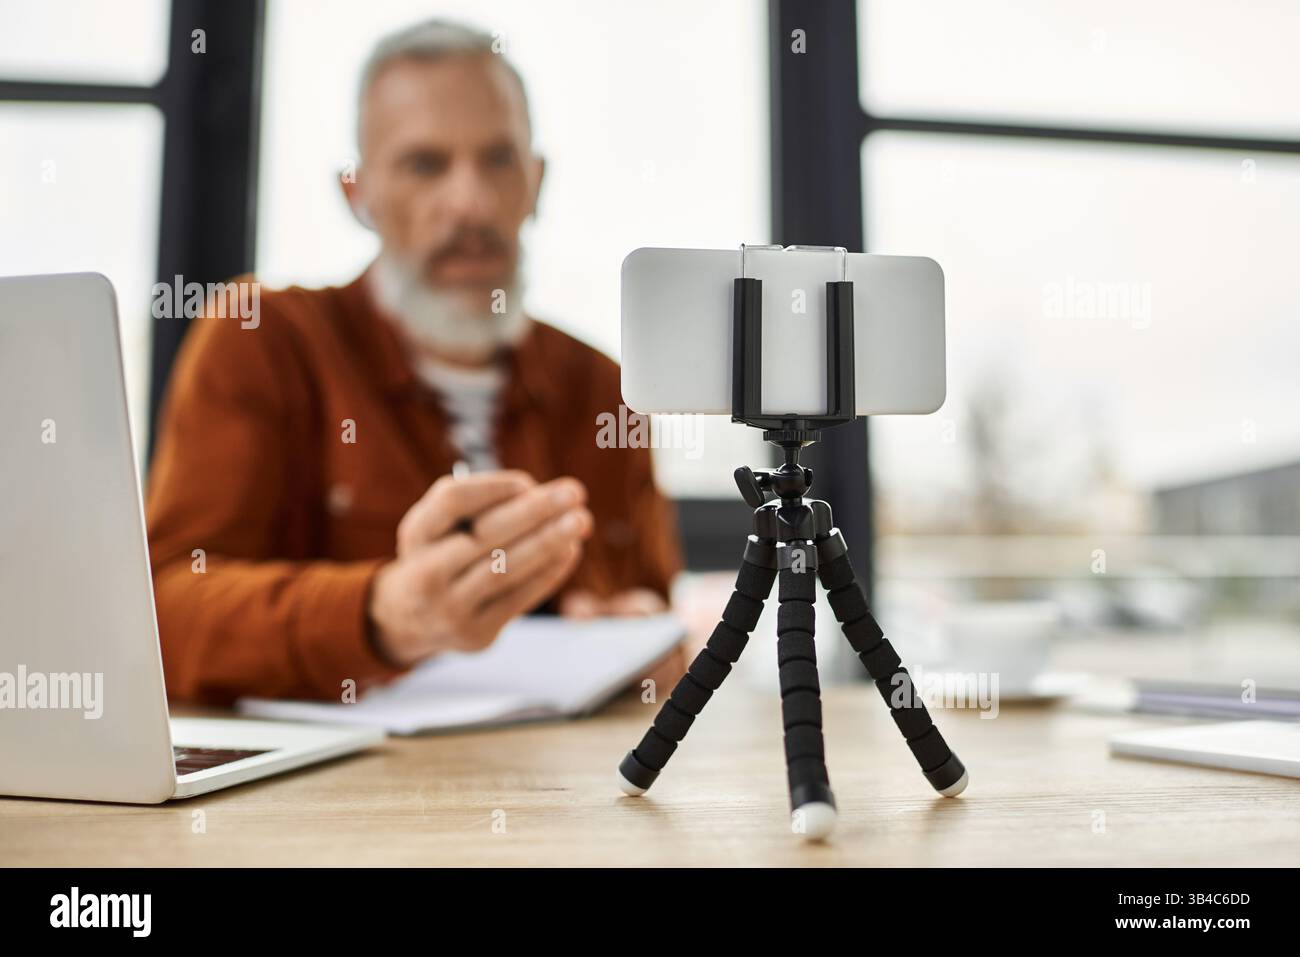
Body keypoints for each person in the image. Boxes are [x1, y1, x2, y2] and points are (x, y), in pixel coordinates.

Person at [146, 19, 683, 704]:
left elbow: (655, 610)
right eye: (425, 164)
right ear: (357, 194)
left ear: (537, 181)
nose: (471, 202)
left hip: (563, 791)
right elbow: (166, 612)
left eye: (498, 159)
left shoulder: (604, 386)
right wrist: (383, 613)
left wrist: (631, 636)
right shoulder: (264, 340)